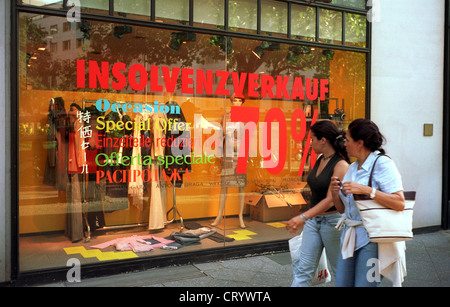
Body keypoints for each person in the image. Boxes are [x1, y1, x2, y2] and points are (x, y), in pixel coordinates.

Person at [330, 119, 405, 287]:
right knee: (341, 284)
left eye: (347, 140)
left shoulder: (383, 163)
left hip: (373, 238)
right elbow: (343, 210)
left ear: (360, 143)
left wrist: (367, 190)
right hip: (350, 236)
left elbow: (400, 202)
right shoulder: (353, 167)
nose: (345, 144)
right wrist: (335, 193)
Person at [286, 120, 349, 287]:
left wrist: (302, 217)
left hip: (333, 223)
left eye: (312, 139)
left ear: (323, 140)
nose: (310, 143)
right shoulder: (320, 159)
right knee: (303, 270)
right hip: (313, 222)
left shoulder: (341, 165)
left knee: (339, 272)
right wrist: (307, 218)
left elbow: (330, 200)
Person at [212, 94, 247, 229]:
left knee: (241, 185)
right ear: (231, 102)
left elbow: (249, 136)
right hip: (228, 152)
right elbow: (220, 135)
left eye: (239, 100)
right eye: (235, 100)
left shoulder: (246, 117)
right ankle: (219, 215)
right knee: (224, 185)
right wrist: (219, 153)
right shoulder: (225, 116)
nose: (237, 103)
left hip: (241, 153)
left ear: (242, 103)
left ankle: (240, 216)